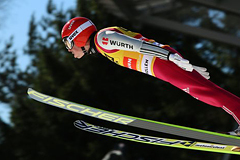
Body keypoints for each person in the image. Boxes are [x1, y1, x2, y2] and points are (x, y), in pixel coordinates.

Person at [61, 17, 240, 135]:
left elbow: (138, 45)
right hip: (160, 65)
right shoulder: (102, 44)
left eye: (68, 42)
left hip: (160, 62)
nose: (69, 49)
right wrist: (176, 60)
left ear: (79, 36)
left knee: (205, 93)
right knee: (205, 92)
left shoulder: (103, 39)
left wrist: (170, 57)